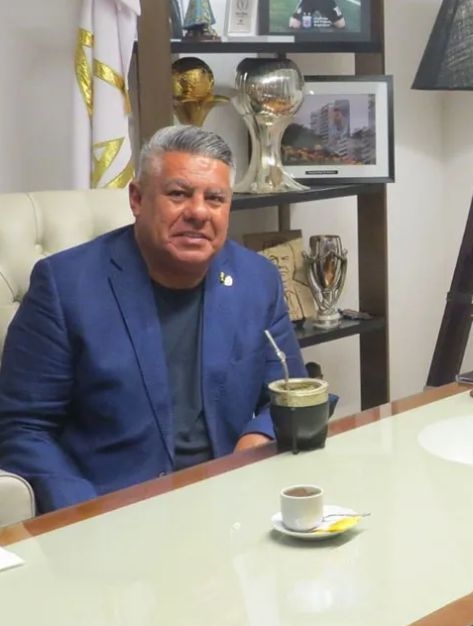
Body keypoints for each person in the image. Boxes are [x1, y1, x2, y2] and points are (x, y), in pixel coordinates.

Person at [0, 125, 307, 514]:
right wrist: (84, 513)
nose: (198, 212)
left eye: (215, 198)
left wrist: (255, 441)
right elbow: (23, 429)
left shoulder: (256, 278)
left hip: (230, 504)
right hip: (113, 510)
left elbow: (291, 394)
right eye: (178, 194)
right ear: (137, 199)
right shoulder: (64, 286)